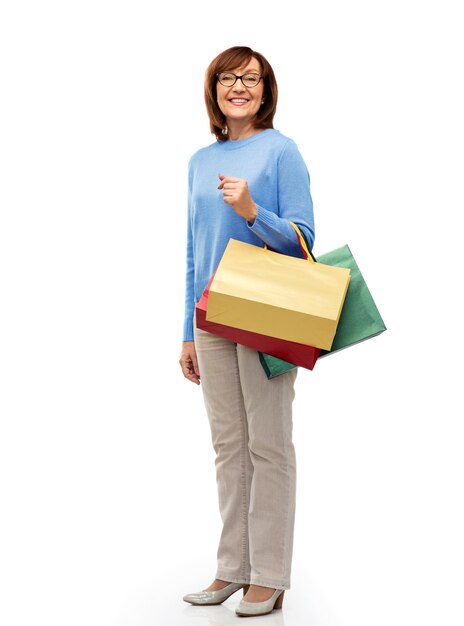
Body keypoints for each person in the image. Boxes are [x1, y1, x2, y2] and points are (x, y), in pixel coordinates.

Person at [179, 46, 315, 617]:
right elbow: (192, 252)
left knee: (268, 446)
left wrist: (254, 210)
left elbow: (305, 241)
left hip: (263, 309)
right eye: (228, 78)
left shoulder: (282, 152)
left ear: (266, 90)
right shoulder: (198, 161)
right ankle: (232, 568)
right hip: (211, 317)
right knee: (228, 446)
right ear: (214, 89)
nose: (239, 86)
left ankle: (270, 575)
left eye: (251, 78)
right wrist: (187, 329)